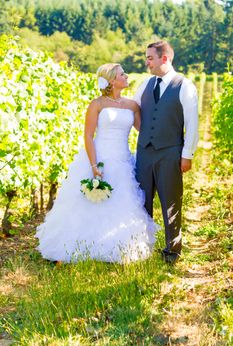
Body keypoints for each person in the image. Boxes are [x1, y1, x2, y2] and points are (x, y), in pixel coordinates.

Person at [35, 63, 160, 264]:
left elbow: (143, 131)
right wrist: (94, 166)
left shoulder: (132, 105)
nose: (126, 76)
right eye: (122, 74)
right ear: (112, 80)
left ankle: (119, 247)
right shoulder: (97, 104)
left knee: (123, 202)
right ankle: (82, 247)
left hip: (123, 160)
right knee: (88, 204)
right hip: (99, 158)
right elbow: (88, 135)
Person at [134, 41, 198, 264]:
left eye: (150, 58)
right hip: (144, 152)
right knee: (141, 201)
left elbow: (192, 124)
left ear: (165, 58)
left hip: (170, 153)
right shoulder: (144, 84)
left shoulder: (185, 85)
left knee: (171, 202)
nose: (146, 62)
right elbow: (134, 111)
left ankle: (172, 251)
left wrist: (187, 154)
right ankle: (142, 247)